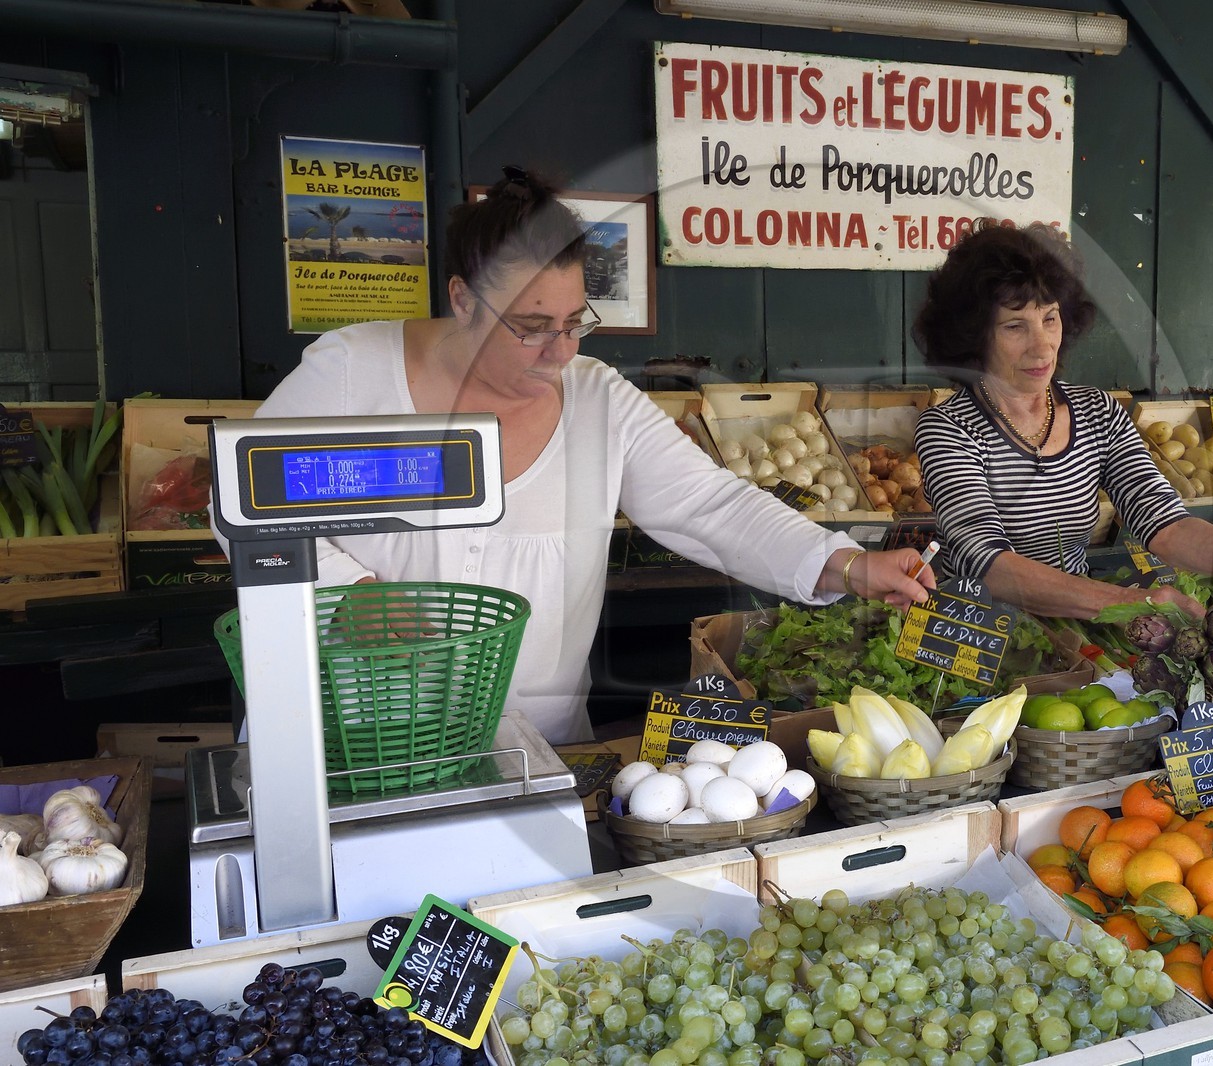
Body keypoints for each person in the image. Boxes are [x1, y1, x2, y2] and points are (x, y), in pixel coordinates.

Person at [255, 166, 933, 745]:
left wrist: (842, 562)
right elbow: (244, 513)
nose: (561, 350)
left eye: (574, 322)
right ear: (463, 300)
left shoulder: (597, 402)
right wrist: (348, 594)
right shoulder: (350, 375)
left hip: (538, 753)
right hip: (353, 745)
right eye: (530, 327)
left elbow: (712, 505)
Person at [912, 222, 1213, 619]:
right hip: (980, 637)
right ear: (975, 336)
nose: (1042, 344)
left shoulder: (1097, 412)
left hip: (1080, 627)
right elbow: (986, 562)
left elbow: (1167, 524)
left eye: (1050, 318)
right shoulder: (949, 428)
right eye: (1015, 326)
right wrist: (1125, 603)